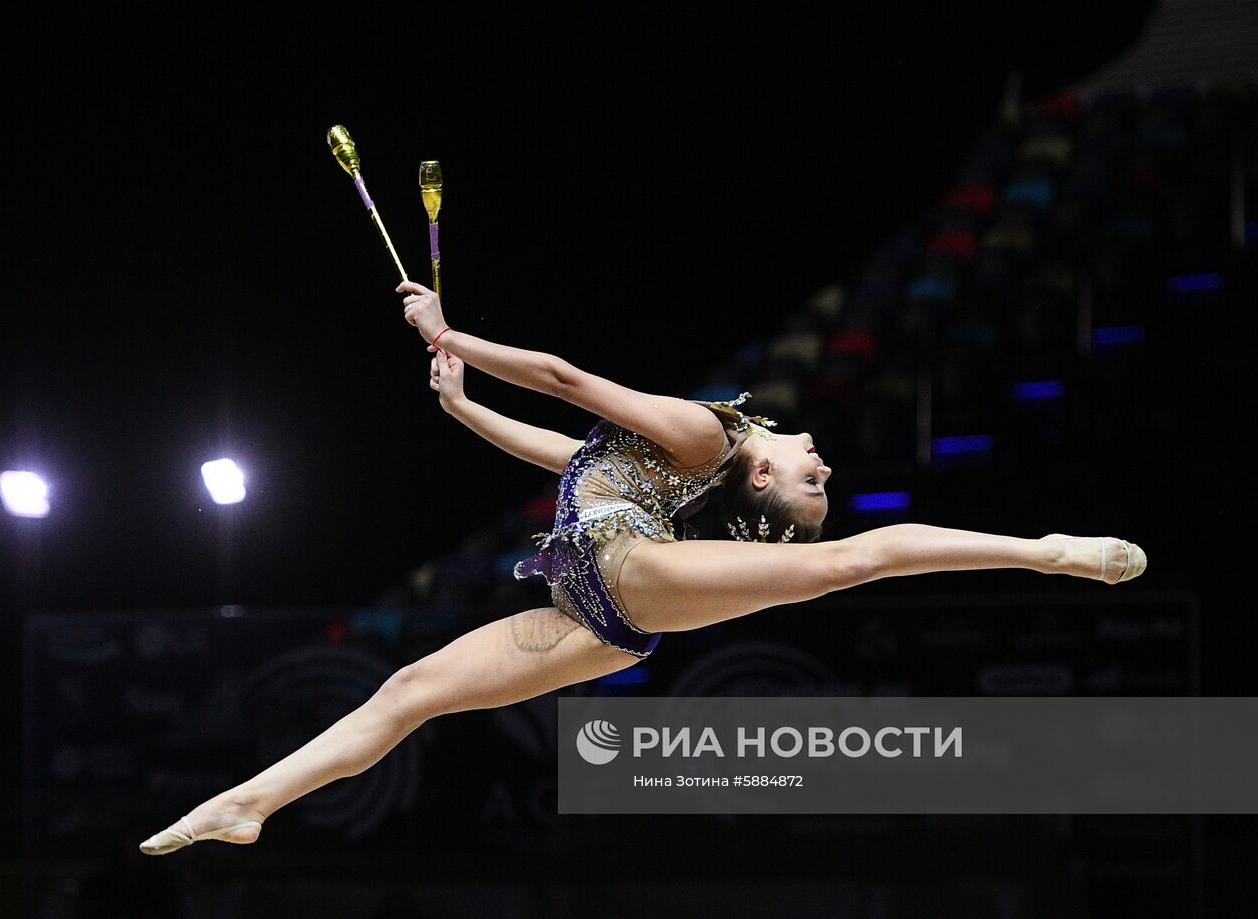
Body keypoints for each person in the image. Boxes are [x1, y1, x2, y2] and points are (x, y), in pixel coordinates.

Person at [139, 280, 1144, 854]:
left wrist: (449, 333)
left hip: (623, 573)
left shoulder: (705, 435)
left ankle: (1045, 550)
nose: (820, 462)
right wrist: (458, 404)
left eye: (809, 478)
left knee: (851, 563)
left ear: (754, 465)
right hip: (599, 620)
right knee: (409, 690)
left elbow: (568, 381)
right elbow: (564, 456)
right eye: (815, 473)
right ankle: (249, 802)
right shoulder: (684, 456)